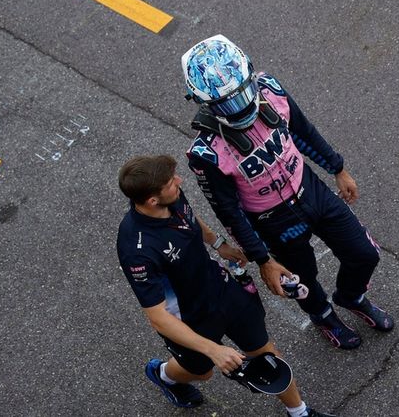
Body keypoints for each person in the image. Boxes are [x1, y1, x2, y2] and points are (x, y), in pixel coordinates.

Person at [182, 34, 393, 350]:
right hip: (273, 221)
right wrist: (263, 259)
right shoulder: (206, 153)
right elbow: (229, 213)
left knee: (365, 253)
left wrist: (337, 168)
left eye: (241, 95)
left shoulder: (270, 89)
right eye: (227, 103)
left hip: (311, 191)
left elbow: (304, 132)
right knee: (302, 281)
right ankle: (324, 317)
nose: (239, 108)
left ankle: (351, 297)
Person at [117, 155, 333, 417]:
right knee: (202, 372)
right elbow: (158, 318)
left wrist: (218, 243)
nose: (179, 181)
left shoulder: (171, 197)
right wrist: (213, 350)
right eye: (171, 182)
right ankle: (163, 375)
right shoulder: (137, 251)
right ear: (152, 200)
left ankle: (299, 413)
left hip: (223, 290)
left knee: (268, 355)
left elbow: (189, 218)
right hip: (189, 319)